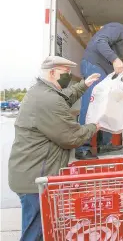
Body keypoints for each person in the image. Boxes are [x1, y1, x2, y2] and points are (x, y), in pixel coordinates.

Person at [8, 56, 101, 241]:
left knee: (41, 228)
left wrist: (84, 85)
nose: (67, 77)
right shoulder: (47, 99)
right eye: (65, 73)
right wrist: (94, 127)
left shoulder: (42, 91)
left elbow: (63, 98)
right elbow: (71, 138)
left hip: (30, 173)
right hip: (35, 180)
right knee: (35, 233)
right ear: (52, 73)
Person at [77, 23, 123, 160]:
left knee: (107, 106)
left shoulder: (120, 37)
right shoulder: (118, 28)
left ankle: (104, 144)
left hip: (103, 70)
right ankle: (82, 148)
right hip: (94, 65)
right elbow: (100, 40)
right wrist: (115, 59)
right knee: (91, 104)